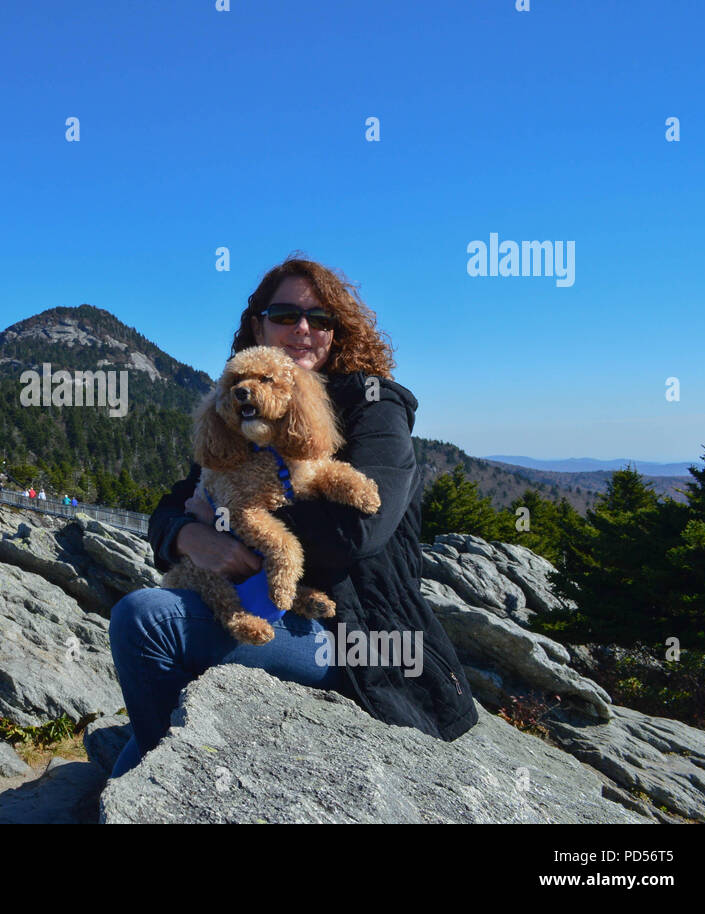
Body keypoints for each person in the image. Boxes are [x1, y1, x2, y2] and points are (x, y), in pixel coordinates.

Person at [109, 253, 478, 779]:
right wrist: (192, 536)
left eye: (320, 319)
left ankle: (156, 782)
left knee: (146, 620)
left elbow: (356, 534)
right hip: (245, 605)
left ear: (337, 332)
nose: (303, 329)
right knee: (137, 727)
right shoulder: (241, 402)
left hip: (346, 632)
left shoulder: (373, 407)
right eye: (285, 316)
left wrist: (231, 523)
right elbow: (175, 504)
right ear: (258, 324)